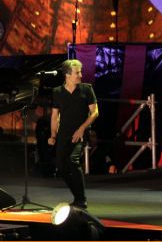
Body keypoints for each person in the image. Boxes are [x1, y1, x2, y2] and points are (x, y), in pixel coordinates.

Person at [48, 59, 99, 209]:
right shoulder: (57, 92)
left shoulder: (86, 89)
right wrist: (53, 135)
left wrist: (82, 129)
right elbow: (55, 116)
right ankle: (78, 196)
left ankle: (81, 200)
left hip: (80, 132)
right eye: (77, 73)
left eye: (80, 72)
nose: (80, 75)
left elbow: (95, 112)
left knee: (73, 160)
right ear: (67, 75)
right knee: (61, 166)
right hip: (64, 132)